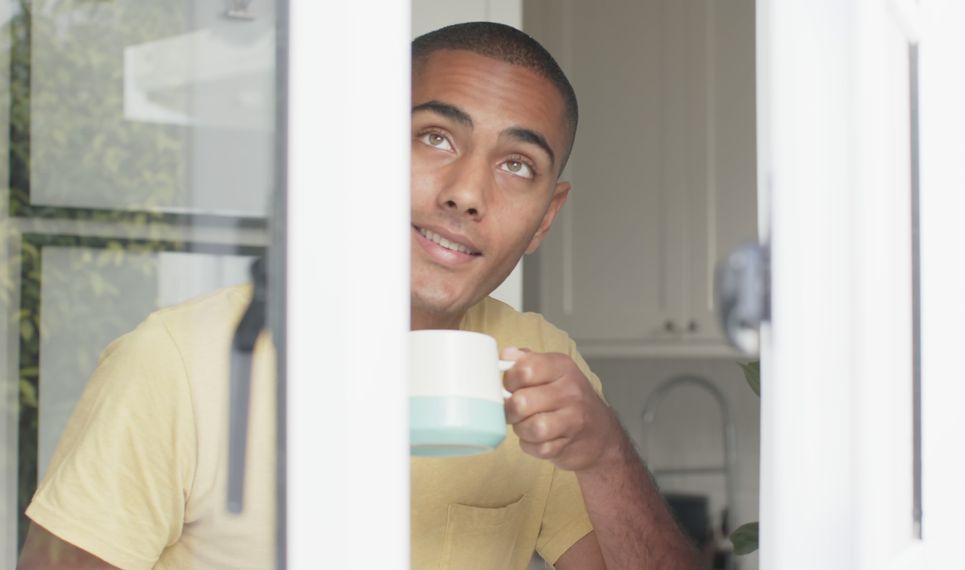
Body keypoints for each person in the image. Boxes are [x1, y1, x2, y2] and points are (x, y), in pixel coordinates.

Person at [19, 22, 702, 569]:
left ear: (544, 219)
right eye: (435, 137)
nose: (466, 193)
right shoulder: (175, 362)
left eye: (515, 165)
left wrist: (607, 455)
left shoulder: (542, 367)